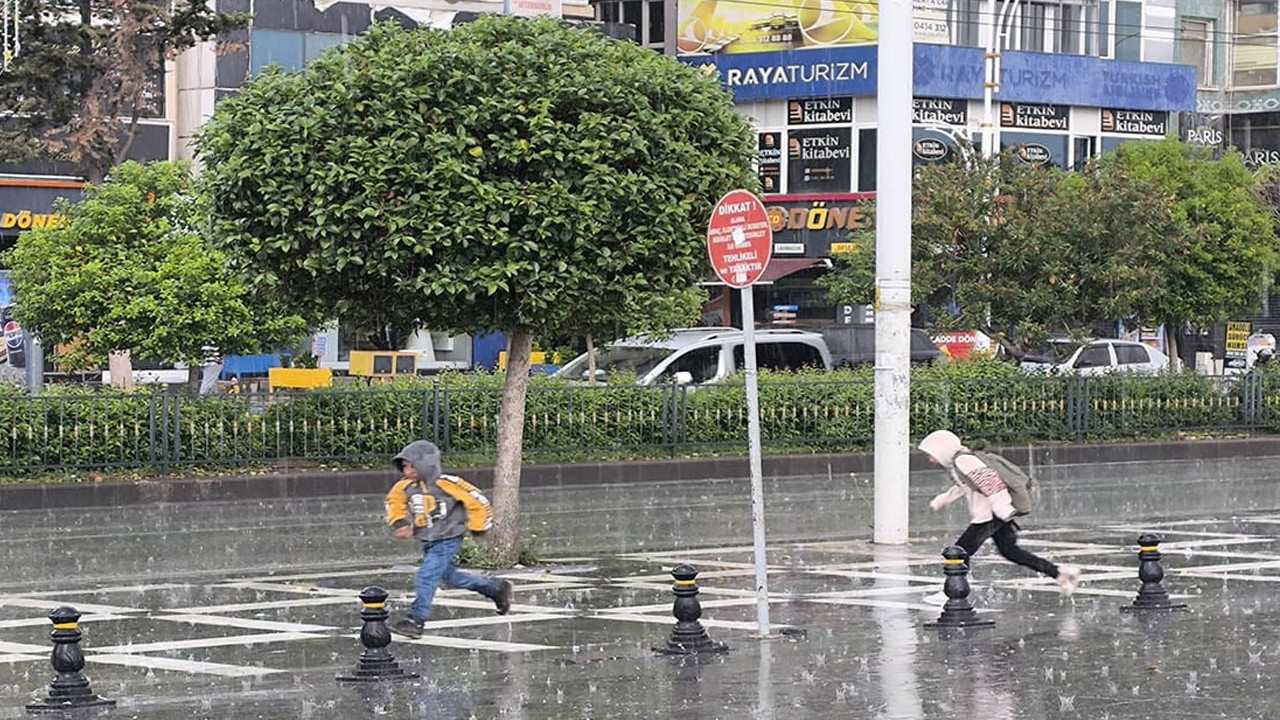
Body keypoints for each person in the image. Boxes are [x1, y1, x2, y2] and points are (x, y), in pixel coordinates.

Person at [919, 430, 1080, 602]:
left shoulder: (964, 460)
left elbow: (991, 483)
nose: (931, 460)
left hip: (990, 516)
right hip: (996, 514)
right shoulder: (960, 462)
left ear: (942, 450)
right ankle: (1060, 573)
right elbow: (965, 486)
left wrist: (1002, 509)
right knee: (1011, 552)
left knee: (959, 552)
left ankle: (953, 591)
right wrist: (942, 499)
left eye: (932, 455)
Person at [386, 440, 513, 638]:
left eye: (413, 466)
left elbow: (477, 501)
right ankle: (495, 590)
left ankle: (416, 620)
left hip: (448, 537)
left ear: (426, 464)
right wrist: (400, 523)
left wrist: (479, 527)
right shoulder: (405, 486)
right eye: (405, 467)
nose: (408, 471)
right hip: (426, 539)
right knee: (449, 577)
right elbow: (394, 502)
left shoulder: (447, 483)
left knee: (426, 575)